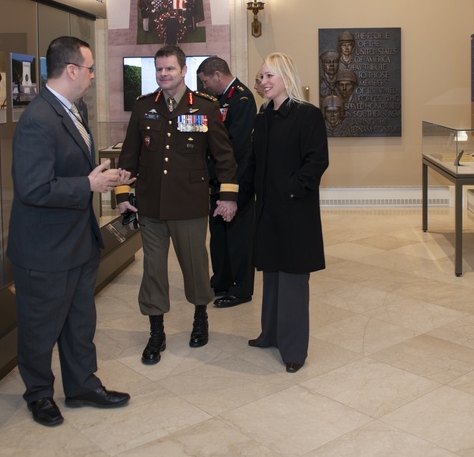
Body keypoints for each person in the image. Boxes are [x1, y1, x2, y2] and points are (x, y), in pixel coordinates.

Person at [7, 36, 132, 427]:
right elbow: (32, 189)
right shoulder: (38, 119)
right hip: (45, 249)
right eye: (91, 68)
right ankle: (39, 394)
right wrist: (88, 186)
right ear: (72, 70)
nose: (94, 76)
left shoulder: (72, 110)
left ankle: (81, 385)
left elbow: (70, 172)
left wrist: (99, 178)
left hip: (77, 242)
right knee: (40, 326)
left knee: (80, 322)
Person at [115, 45, 239, 365]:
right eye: (159, 70)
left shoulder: (205, 107)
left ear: (184, 70)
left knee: (195, 267)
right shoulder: (144, 107)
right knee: (153, 271)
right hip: (152, 204)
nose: (164, 75)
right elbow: (130, 154)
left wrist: (227, 196)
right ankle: (156, 331)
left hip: (189, 204)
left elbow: (224, 157)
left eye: (169, 69)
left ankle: (200, 317)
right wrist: (122, 193)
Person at [243, 53, 329, 373]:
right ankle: (271, 334)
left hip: (294, 211)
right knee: (273, 274)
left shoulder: (307, 115)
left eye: (270, 76)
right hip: (267, 210)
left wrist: (291, 189)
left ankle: (294, 349)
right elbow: (253, 162)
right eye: (261, 76)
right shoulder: (263, 116)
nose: (263, 82)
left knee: (293, 280)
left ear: (285, 77)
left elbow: (316, 162)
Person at [196, 56, 257, 308]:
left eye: (206, 81)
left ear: (218, 75)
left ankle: (241, 288)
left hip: (237, 179)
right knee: (219, 234)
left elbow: (234, 145)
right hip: (216, 179)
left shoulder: (242, 98)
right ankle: (221, 279)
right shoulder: (219, 100)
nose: (205, 87)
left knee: (238, 236)